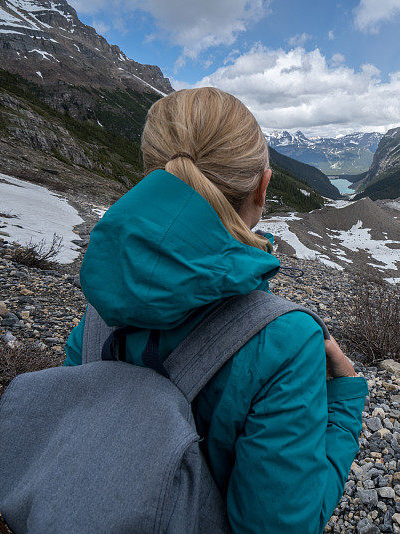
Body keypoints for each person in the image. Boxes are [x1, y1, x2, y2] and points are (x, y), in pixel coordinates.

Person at [62, 87, 369, 533]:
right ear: (263, 186)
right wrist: (343, 404)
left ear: (153, 176)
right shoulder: (285, 341)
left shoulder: (97, 314)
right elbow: (281, 525)